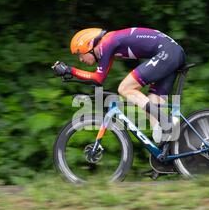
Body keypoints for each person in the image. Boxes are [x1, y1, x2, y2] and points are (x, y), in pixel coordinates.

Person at [53, 27, 186, 143]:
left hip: (167, 53)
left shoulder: (107, 43)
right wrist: (71, 73)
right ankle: (170, 156)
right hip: (171, 52)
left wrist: (70, 70)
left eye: (80, 55)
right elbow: (99, 79)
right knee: (155, 121)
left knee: (125, 88)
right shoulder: (109, 44)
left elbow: (97, 78)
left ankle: (167, 121)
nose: (80, 59)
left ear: (89, 47)